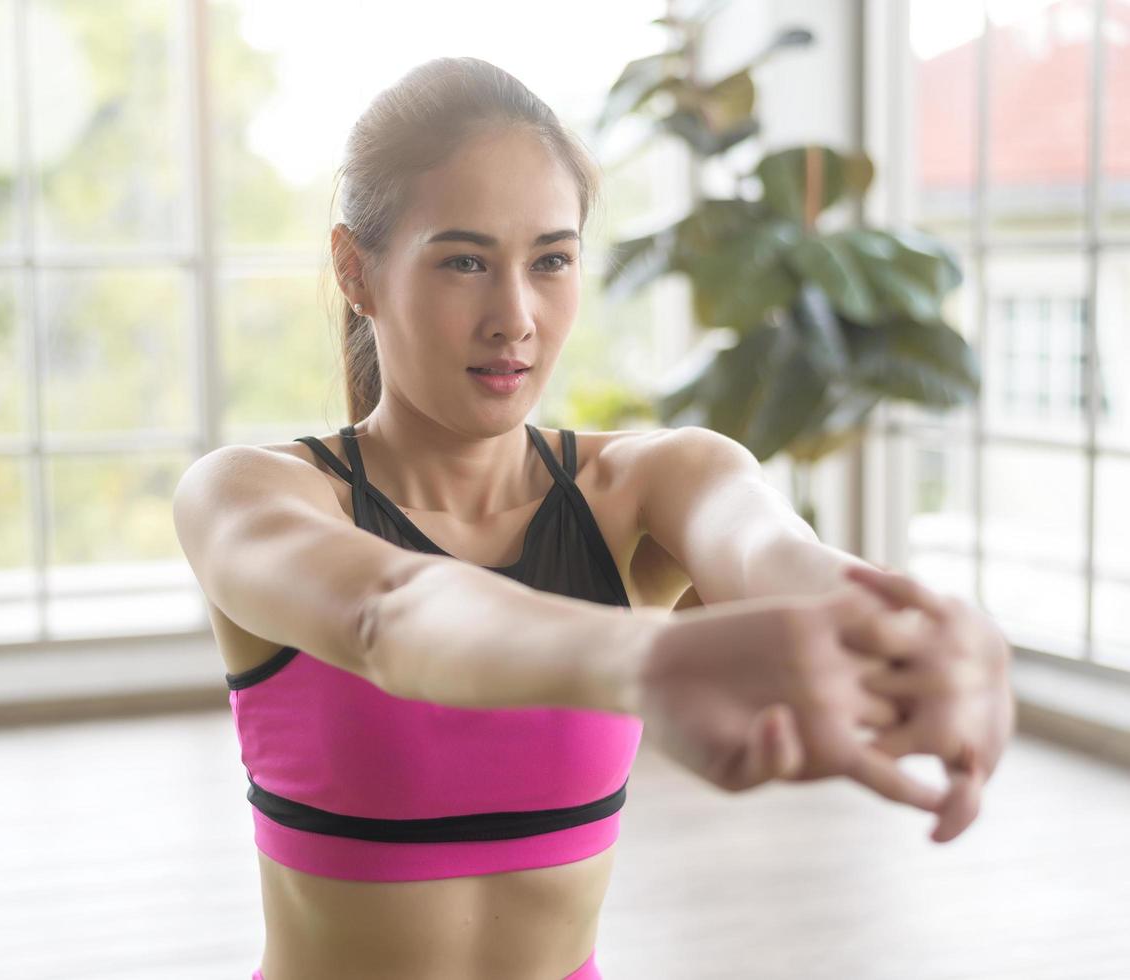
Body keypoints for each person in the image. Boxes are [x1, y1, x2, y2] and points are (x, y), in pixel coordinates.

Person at [172, 57, 1015, 980]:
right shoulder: (248, 495)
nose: (515, 316)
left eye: (551, 261)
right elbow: (390, 615)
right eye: (464, 261)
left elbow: (777, 553)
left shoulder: (654, 480)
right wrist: (651, 661)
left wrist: (900, 625)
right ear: (356, 270)